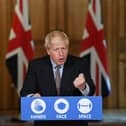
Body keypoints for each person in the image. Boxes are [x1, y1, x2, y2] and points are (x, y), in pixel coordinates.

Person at [20, 30, 95, 126]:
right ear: (48, 50)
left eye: (64, 48)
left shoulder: (80, 63)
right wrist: (32, 98)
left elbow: (91, 90)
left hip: (74, 120)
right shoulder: (36, 65)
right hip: (46, 120)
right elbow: (25, 92)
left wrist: (83, 86)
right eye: (56, 49)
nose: (61, 54)